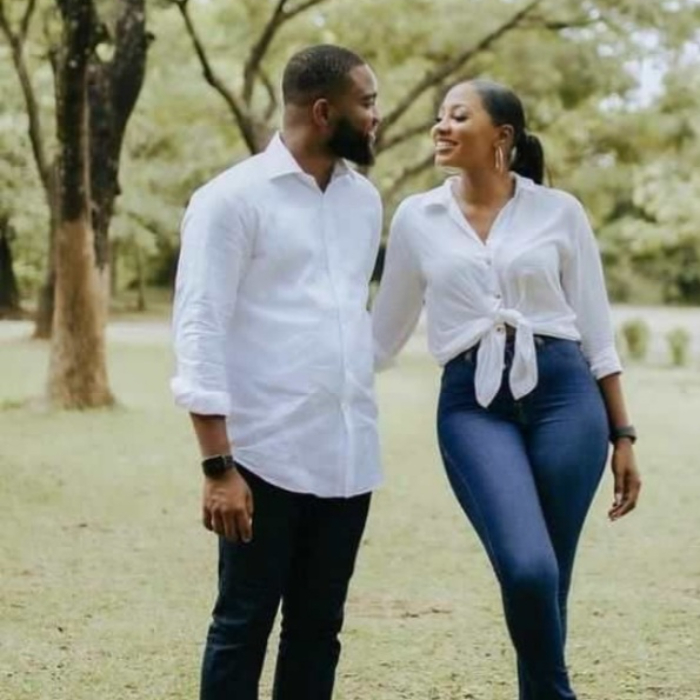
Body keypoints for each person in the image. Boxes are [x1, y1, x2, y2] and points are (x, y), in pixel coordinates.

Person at [371, 79, 642, 700]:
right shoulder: (417, 217)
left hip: (566, 398)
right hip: (473, 405)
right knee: (527, 568)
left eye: (457, 116)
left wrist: (623, 434)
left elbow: (597, 333)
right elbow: (381, 339)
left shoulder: (560, 211)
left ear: (502, 136)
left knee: (551, 579)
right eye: (439, 116)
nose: (441, 127)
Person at [171, 45, 382, 700]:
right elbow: (200, 328)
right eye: (366, 102)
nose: (375, 116)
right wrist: (218, 467)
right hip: (262, 459)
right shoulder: (229, 200)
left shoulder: (364, 201)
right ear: (323, 111)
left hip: (347, 457)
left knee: (319, 630)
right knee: (242, 625)